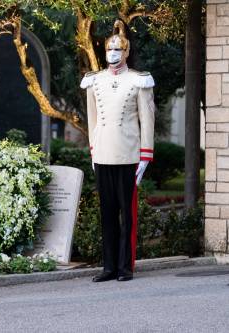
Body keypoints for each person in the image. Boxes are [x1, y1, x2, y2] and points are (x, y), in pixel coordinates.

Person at [80, 19, 155, 282]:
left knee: (127, 214)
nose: (112, 54)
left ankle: (125, 267)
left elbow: (147, 119)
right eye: (109, 49)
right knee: (107, 213)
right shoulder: (94, 81)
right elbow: (92, 119)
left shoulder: (139, 80)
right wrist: (93, 150)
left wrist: (145, 155)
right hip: (102, 154)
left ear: (126, 52)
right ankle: (109, 266)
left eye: (117, 49)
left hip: (128, 154)